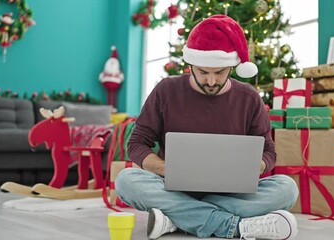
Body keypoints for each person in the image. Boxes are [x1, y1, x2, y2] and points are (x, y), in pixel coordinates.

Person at [115, 14, 299, 239]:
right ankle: (235, 227)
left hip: (231, 192)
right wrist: (166, 169)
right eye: (203, 72)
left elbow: (269, 152)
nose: (211, 81)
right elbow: (136, 143)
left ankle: (177, 218)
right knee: (126, 181)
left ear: (231, 67)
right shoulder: (166, 90)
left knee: (287, 188)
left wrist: (254, 167)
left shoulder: (249, 97)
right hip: (173, 188)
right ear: (190, 64)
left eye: (219, 73)